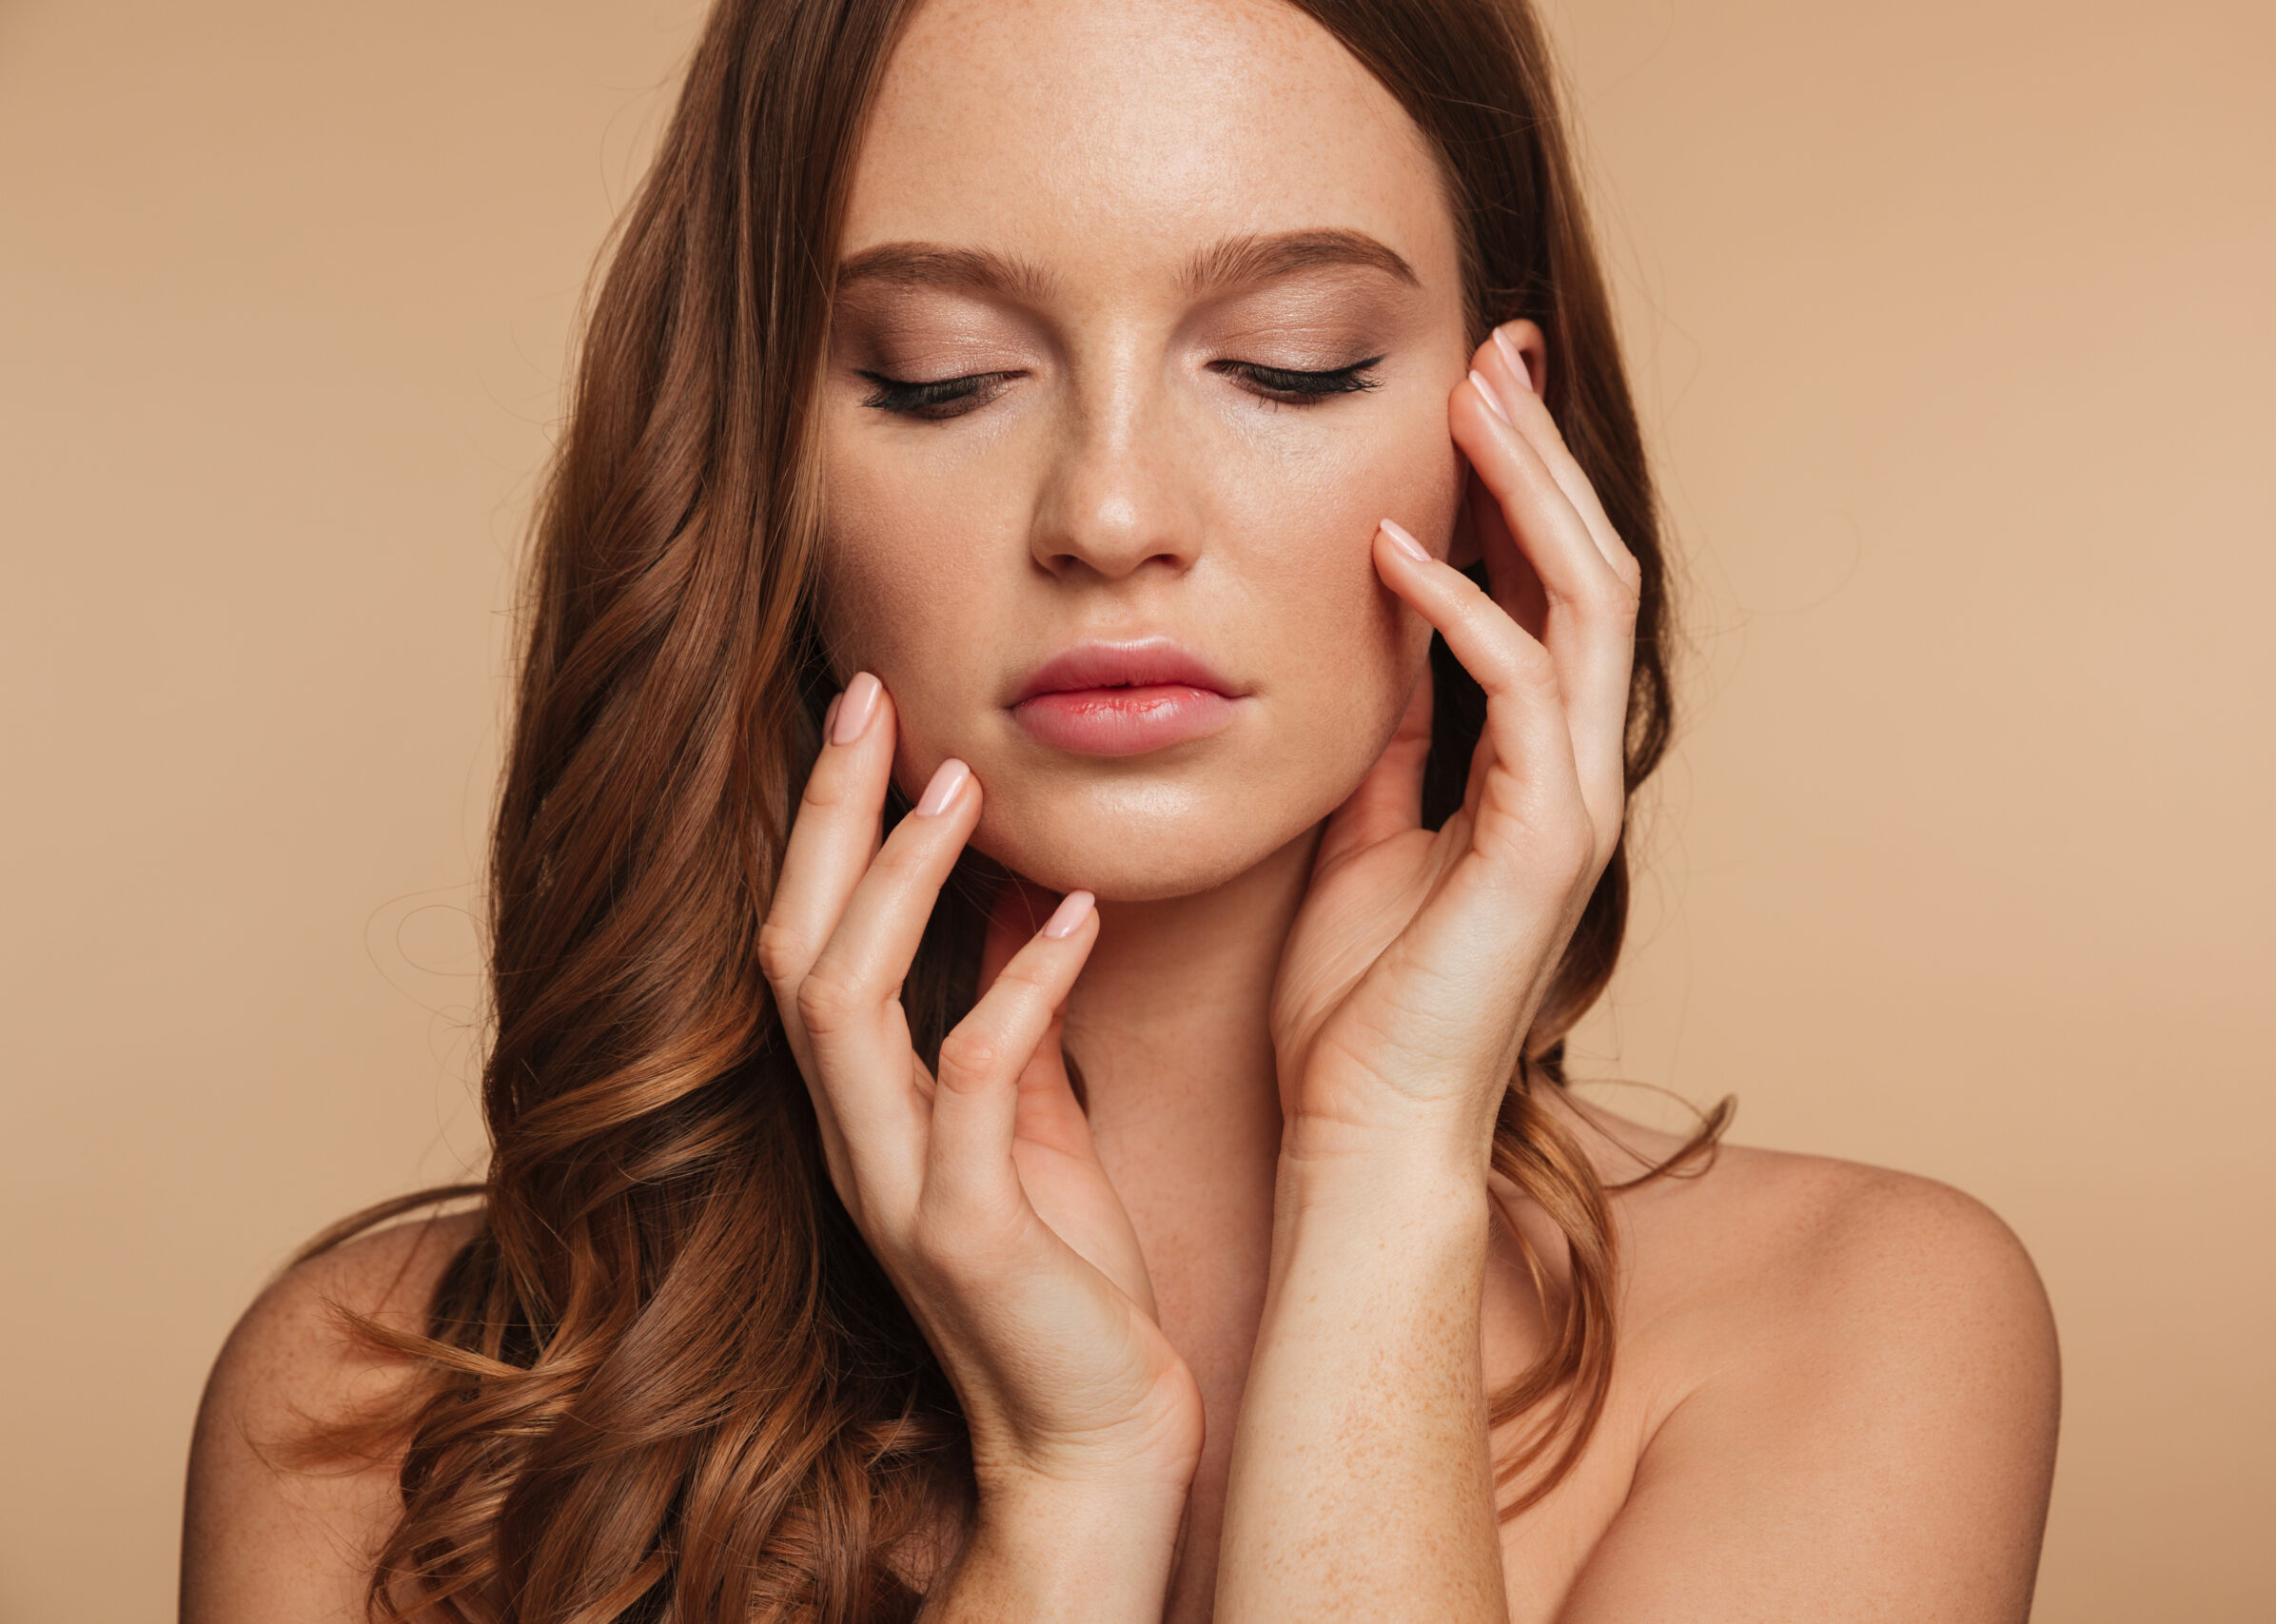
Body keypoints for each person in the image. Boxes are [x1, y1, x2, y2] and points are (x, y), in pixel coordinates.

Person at [180, 0, 2061, 1618]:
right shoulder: (379, 1399)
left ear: (1503, 449)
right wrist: (1069, 1492)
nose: (1104, 507)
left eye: (1287, 361)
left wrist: (1388, 1168)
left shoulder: (1850, 1326)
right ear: (766, 470)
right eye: (941, 380)